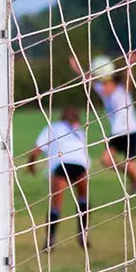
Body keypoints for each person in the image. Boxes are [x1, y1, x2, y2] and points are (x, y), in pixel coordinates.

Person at [71, 52, 136, 214]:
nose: (104, 88)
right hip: (116, 133)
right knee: (106, 160)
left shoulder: (123, 90)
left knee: (132, 167)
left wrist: (130, 63)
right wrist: (77, 68)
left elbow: (128, 76)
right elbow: (87, 78)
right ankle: (133, 178)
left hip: (130, 132)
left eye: (106, 85)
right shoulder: (102, 89)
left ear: (112, 83)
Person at [28, 105, 91, 251]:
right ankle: (82, 235)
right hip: (80, 166)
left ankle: (50, 240)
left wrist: (31, 165)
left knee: (56, 204)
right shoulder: (79, 130)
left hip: (61, 166)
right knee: (83, 200)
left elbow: (37, 149)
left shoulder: (53, 127)